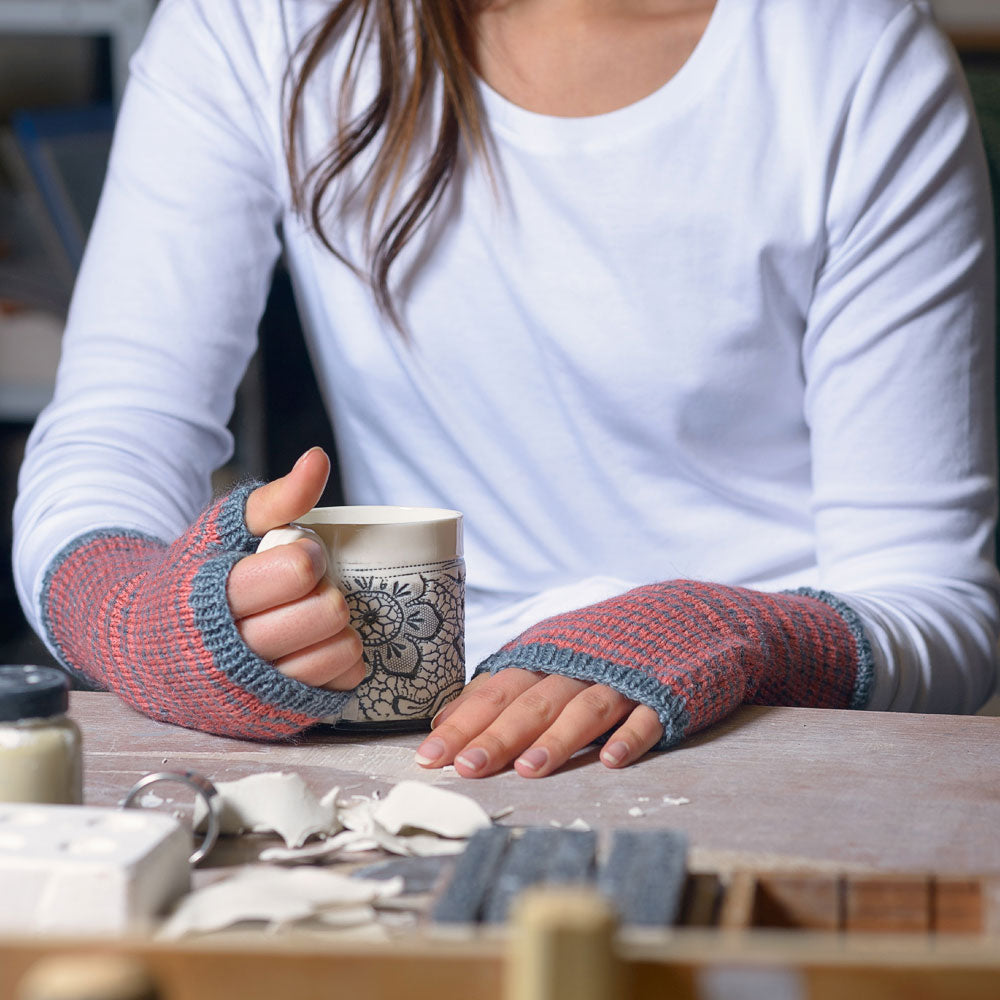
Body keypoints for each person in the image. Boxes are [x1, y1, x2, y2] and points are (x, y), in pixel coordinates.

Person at [13, 0, 999, 779]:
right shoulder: (258, 22)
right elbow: (111, 440)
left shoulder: (852, 56)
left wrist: (735, 633)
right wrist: (142, 624)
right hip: (433, 744)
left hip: (786, 734)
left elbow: (937, 600)